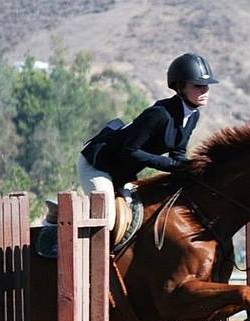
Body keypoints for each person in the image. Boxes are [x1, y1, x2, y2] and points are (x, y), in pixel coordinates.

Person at [77, 53, 218, 229]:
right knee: (109, 218)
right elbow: (129, 149)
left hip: (124, 172)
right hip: (98, 165)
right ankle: (58, 224)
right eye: (198, 86)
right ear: (181, 87)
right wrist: (171, 165)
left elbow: (178, 153)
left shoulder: (192, 116)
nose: (204, 91)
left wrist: (194, 170)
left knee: (137, 215)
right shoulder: (159, 114)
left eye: (206, 86)